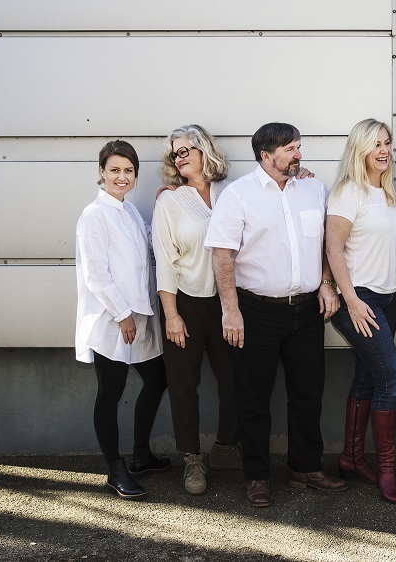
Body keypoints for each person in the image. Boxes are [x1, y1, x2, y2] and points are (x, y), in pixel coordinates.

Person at [205, 122, 347, 508]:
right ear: (266, 156)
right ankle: (257, 476)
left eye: (298, 147)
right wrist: (231, 312)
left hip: (306, 311)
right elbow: (221, 256)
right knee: (253, 399)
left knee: (308, 394)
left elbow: (327, 243)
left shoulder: (314, 189)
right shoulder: (238, 196)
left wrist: (326, 282)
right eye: (290, 149)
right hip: (255, 313)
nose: (298, 154)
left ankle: (306, 468)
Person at [75, 140, 170, 500]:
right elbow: (96, 275)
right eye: (114, 169)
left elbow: (151, 242)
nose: (122, 176)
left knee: (157, 379)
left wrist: (169, 204)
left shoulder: (128, 209)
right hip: (113, 320)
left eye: (128, 170)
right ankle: (115, 470)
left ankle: (141, 455)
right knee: (110, 393)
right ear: (101, 172)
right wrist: (122, 314)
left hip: (141, 316)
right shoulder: (94, 215)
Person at [152, 124, 241, 496]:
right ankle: (192, 459)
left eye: (185, 149)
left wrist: (300, 175)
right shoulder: (169, 201)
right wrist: (171, 315)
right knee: (183, 386)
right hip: (185, 304)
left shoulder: (231, 192)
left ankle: (225, 446)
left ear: (205, 149)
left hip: (228, 303)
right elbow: (164, 261)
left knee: (234, 379)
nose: (179, 157)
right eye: (175, 153)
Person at [326, 119, 396, 503]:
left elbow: (384, 238)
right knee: (392, 380)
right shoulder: (348, 192)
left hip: (388, 297)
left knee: (367, 379)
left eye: (387, 143)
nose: (384, 150)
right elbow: (333, 249)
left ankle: (352, 458)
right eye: (375, 144)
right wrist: (352, 300)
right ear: (359, 149)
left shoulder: (389, 192)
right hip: (359, 298)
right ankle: (386, 470)